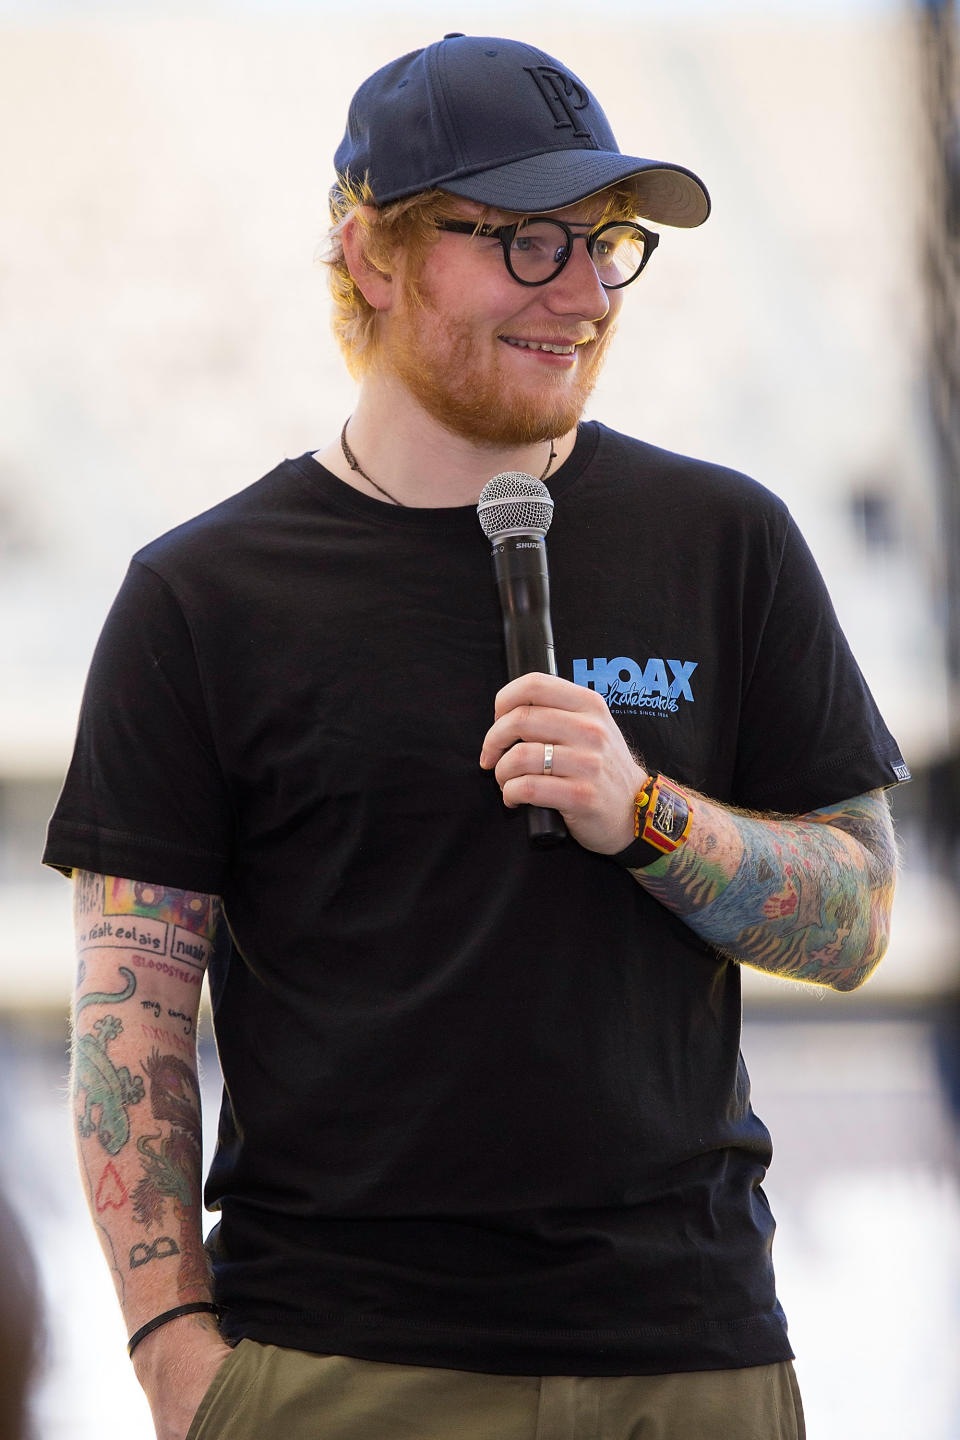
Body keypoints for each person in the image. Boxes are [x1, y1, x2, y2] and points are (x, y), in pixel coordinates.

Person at [45, 33, 908, 1440]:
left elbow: (858, 916)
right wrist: (178, 1365)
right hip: (341, 1367)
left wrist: (651, 817)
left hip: (687, 1360)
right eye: (522, 242)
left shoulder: (725, 538)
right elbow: (129, 1014)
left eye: (605, 242)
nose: (579, 292)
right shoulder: (202, 596)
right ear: (368, 250)